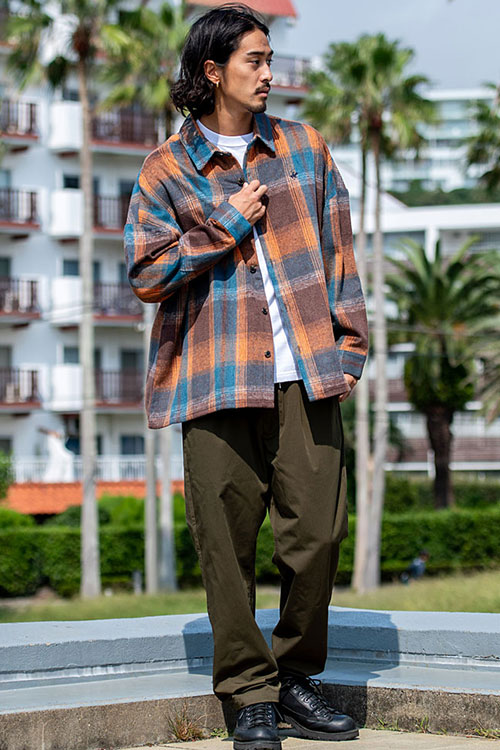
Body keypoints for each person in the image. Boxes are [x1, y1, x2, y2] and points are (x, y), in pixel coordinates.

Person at [125, 4, 368, 748]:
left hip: (307, 373)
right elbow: (146, 273)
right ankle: (249, 693)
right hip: (215, 379)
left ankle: (294, 675)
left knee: (318, 534)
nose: (268, 73)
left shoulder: (304, 148)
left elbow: (340, 253)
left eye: (269, 59)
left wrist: (349, 350)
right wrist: (227, 221)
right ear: (213, 70)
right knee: (225, 547)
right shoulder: (167, 168)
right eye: (254, 60)